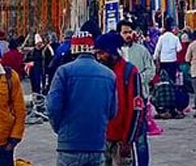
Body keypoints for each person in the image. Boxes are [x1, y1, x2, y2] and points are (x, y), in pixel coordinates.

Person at [47, 31, 117, 166]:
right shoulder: (109, 75)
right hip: (97, 145)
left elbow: (52, 107)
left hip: (70, 145)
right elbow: (112, 111)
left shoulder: (64, 72)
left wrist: (60, 129)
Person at [94, 33, 144, 166]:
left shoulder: (130, 72)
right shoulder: (99, 71)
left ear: (111, 52)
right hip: (102, 139)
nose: (98, 57)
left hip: (122, 139)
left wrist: (128, 140)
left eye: (101, 53)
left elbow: (136, 110)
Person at [119, 20, 153, 165]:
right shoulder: (116, 52)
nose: (127, 35)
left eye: (129, 32)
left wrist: (138, 79)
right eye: (124, 32)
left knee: (140, 137)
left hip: (138, 98)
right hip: (120, 100)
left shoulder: (141, 50)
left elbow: (151, 69)